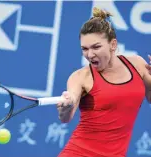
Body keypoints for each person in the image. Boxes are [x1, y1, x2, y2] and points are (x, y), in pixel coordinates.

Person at [56, 7, 151, 157]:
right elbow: (65, 117)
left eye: (96, 47)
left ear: (113, 45)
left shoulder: (138, 64)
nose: (90, 54)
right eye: (84, 49)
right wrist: (65, 108)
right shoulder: (80, 77)